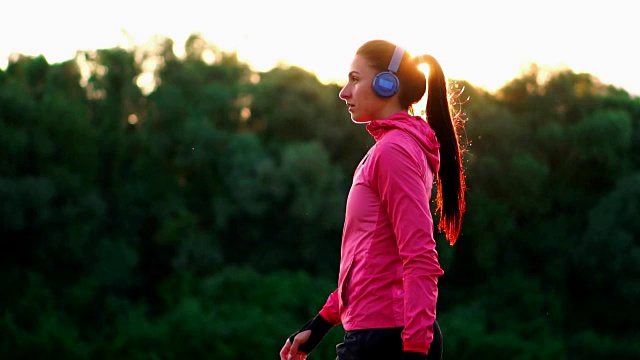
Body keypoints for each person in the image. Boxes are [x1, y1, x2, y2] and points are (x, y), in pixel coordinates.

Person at [279, 39, 467, 360]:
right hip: (379, 334)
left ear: (386, 84)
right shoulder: (393, 148)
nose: (344, 92)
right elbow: (371, 260)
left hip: (388, 340)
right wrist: (320, 324)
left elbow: (419, 255)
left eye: (355, 78)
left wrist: (415, 350)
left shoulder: (393, 151)